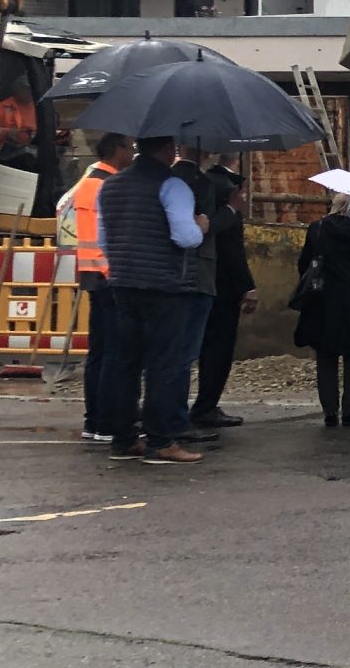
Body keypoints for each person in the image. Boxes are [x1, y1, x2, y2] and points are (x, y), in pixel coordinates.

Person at [94, 135, 207, 465]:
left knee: (124, 362)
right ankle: (160, 441)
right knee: (164, 364)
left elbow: (103, 238)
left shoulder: (110, 186)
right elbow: (184, 236)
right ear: (169, 149)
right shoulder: (173, 186)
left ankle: (124, 439)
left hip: (123, 283)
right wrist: (201, 225)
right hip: (164, 285)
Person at [57, 133, 131, 445]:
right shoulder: (107, 184)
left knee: (99, 352)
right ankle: (107, 422)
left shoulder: (89, 181)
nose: (132, 153)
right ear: (116, 150)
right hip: (107, 275)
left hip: (91, 273)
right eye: (130, 147)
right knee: (115, 352)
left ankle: (94, 420)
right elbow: (108, 234)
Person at [293, 180, 350, 426]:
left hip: (323, 299)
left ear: (334, 205)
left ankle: (329, 411)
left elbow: (304, 264)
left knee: (326, 356)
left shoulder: (317, 228)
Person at [188, 150, 255, 429]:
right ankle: (206, 406)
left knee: (200, 345)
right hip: (221, 283)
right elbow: (231, 247)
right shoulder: (224, 190)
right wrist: (246, 285)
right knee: (218, 348)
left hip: (201, 279)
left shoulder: (202, 182)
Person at [168, 149, 224, 445]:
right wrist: (225, 214)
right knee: (184, 352)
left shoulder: (168, 178)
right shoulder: (196, 182)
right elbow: (197, 231)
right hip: (196, 273)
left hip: (169, 275)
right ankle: (174, 420)